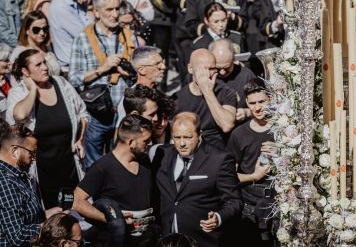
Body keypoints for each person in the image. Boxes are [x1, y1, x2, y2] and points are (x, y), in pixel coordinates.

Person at [5, 48, 87, 208]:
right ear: (25, 71)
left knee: (73, 211)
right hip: (41, 172)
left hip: (69, 166)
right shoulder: (18, 92)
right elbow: (20, 116)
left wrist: (80, 139)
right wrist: (34, 90)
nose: (45, 67)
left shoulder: (61, 84)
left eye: (45, 62)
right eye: (38, 65)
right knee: (49, 216)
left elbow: (82, 114)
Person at [69, 0, 138, 168]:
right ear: (96, 12)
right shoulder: (83, 39)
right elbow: (74, 79)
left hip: (124, 111)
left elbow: (138, 71)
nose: (115, 14)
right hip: (97, 114)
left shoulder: (127, 35)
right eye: (109, 10)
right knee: (94, 166)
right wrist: (102, 69)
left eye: (117, 9)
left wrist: (130, 71)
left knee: (123, 163)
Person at [153, 112, 241, 247]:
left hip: (202, 239)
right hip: (167, 238)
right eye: (177, 137)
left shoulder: (219, 159)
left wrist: (218, 217)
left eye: (188, 137)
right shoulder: (162, 154)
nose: (182, 143)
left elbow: (234, 200)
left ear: (200, 134)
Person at [72, 115, 157, 247]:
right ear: (131, 142)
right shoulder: (102, 168)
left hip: (147, 241)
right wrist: (113, 218)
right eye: (146, 140)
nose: (150, 143)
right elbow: (77, 201)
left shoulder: (145, 161)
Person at [227, 79, 276, 245]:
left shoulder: (282, 129)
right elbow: (229, 178)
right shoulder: (239, 134)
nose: (258, 107)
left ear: (270, 99)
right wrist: (254, 176)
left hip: (280, 201)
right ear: (246, 103)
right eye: (253, 103)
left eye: (262, 101)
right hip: (250, 204)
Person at [0, 121, 53, 246]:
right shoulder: (5, 182)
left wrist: (48, 214)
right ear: (15, 151)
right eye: (32, 152)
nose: (34, 158)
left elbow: (24, 216)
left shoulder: (16, 176)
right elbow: (17, 237)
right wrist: (52, 226)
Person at [175, 49, 237, 148]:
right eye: (203, 69)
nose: (208, 74)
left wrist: (207, 91)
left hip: (218, 151)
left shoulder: (226, 92)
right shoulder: (178, 98)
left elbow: (227, 125)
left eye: (212, 68)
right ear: (190, 68)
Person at [48, 0, 90, 70]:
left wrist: (85, 5)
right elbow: (87, 35)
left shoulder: (70, 1)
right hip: (74, 68)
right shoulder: (61, 7)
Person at [211, 39, 254, 122]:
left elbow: (262, 104)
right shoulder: (205, 75)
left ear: (234, 59)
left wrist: (247, 112)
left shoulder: (246, 75)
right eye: (218, 68)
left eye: (227, 67)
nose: (222, 72)